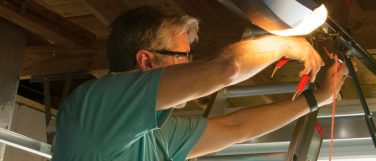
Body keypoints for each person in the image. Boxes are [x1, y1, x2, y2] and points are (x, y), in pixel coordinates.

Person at [51, 6, 347, 161]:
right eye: (182, 56)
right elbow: (227, 68)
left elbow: (236, 128)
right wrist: (284, 45)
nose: (189, 65)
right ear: (146, 61)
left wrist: (317, 99)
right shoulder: (97, 107)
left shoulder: (157, 133)